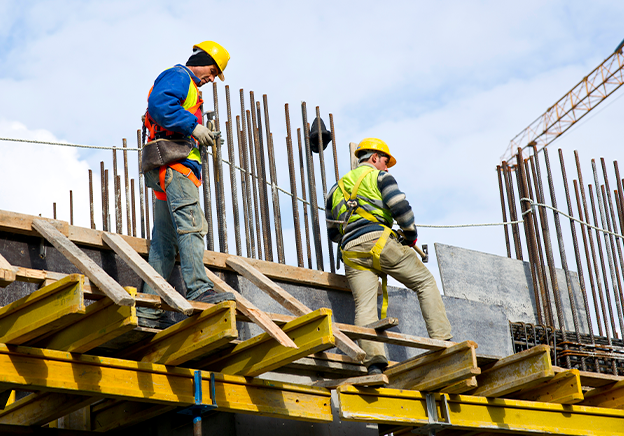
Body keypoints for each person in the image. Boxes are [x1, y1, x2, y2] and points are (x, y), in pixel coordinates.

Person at [326, 138, 452, 374]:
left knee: (364, 305)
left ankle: (374, 363)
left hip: (351, 251)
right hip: (380, 242)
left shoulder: (335, 189)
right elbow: (401, 208)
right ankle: (443, 342)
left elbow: (333, 233)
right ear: (374, 158)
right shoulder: (380, 177)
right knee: (425, 282)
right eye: (385, 162)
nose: (387, 167)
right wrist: (410, 236)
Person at [137, 41, 235, 328]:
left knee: (164, 244)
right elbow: (160, 106)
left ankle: (148, 309)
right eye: (213, 70)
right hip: (175, 167)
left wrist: (199, 132)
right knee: (192, 226)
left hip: (167, 169)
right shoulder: (180, 76)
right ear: (201, 60)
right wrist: (193, 127)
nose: (212, 78)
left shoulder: (190, 87)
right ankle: (199, 289)